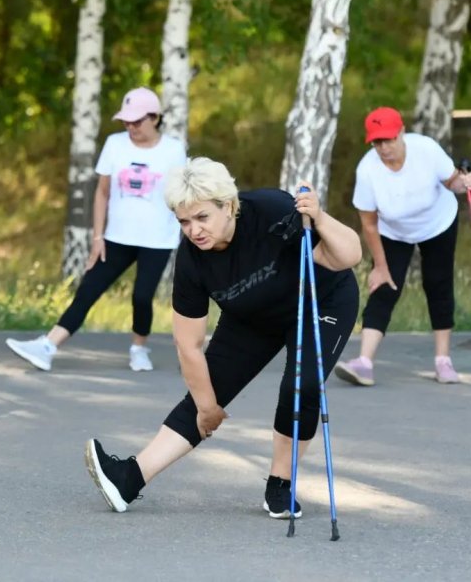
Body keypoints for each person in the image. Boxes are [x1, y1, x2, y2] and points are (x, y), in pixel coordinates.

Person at [84, 157, 362, 518]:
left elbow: (349, 256)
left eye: (202, 218)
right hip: (253, 317)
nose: (193, 230)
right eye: (184, 221)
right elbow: (188, 345)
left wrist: (320, 217)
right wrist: (207, 407)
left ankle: (280, 486)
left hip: (318, 300)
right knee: (204, 391)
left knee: (302, 386)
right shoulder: (191, 262)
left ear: (228, 206)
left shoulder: (271, 210)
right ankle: (128, 479)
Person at [6, 87, 186, 372]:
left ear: (155, 118)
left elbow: (181, 194)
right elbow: (102, 193)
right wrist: (97, 237)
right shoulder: (115, 144)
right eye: (126, 122)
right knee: (88, 289)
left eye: (137, 121)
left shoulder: (174, 150)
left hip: (157, 240)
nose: (131, 127)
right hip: (115, 237)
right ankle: (47, 346)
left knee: (141, 296)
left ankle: (139, 348)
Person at [334, 107, 471, 387]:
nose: (383, 148)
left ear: (401, 134)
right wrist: (381, 267)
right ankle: (364, 363)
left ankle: (443, 361)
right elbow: (369, 224)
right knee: (383, 288)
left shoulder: (427, 151)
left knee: (438, 284)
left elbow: (452, 181)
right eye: (377, 142)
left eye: (388, 140)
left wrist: (464, 182)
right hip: (393, 231)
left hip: (437, 223)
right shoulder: (368, 170)